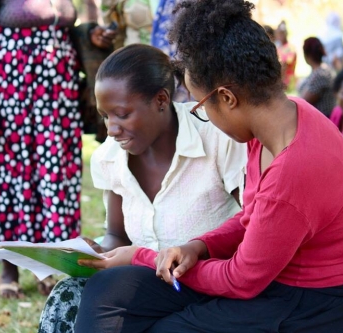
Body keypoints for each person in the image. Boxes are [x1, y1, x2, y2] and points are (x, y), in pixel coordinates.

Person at [74, 1, 343, 332]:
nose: (203, 117)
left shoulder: (294, 167)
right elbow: (252, 220)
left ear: (227, 98)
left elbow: (243, 279)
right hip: (276, 287)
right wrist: (198, 246)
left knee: (168, 327)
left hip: (316, 308)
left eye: (201, 106)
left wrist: (142, 256)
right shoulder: (276, 126)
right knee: (109, 293)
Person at [37, 44, 247, 333]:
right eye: (105, 116)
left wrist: (197, 250)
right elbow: (116, 236)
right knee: (67, 294)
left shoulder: (216, 137)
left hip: (213, 281)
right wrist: (95, 251)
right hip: (151, 284)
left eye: (121, 114)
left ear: (161, 100)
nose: (111, 128)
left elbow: (254, 222)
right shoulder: (109, 156)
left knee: (107, 290)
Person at [0, 0, 85, 299]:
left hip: (57, 99)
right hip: (12, 96)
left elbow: (71, 31)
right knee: (11, 178)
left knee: (52, 179)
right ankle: (9, 268)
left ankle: (43, 264)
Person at [297, 37, 336, 117]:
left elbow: (303, 102)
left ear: (306, 55)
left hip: (322, 119)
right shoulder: (325, 69)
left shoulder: (320, 75)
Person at [275, 20, 296, 90]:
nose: (280, 36)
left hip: (288, 82)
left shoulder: (290, 48)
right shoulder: (277, 47)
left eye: (282, 33)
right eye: (278, 33)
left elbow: (286, 62)